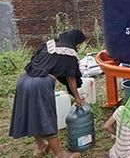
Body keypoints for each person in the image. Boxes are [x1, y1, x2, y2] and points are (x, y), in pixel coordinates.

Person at [9, 29, 87, 158]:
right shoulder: (69, 53)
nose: (78, 46)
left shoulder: (49, 44)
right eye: (79, 43)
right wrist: (77, 98)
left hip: (24, 80)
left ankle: (40, 147)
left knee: (33, 114)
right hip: (40, 85)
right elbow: (71, 78)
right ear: (74, 40)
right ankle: (60, 154)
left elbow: (36, 60)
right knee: (47, 117)